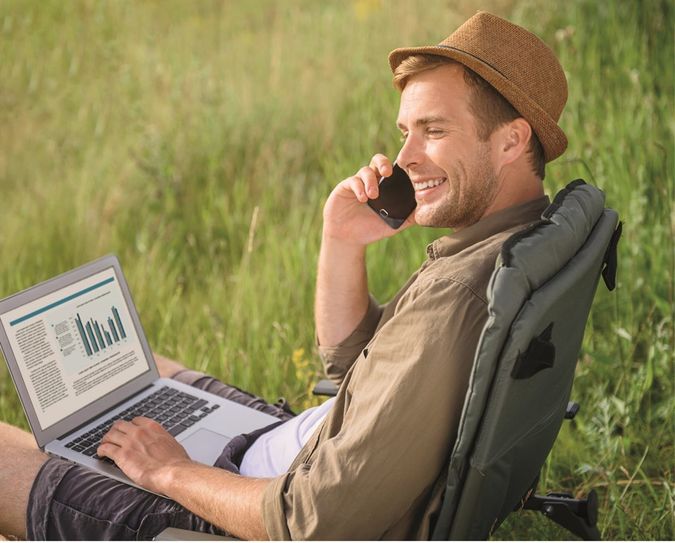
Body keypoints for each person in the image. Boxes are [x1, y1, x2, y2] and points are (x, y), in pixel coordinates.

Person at [0, 11, 569, 540]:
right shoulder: (514, 246)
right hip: (305, 450)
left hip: (260, 507)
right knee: (141, 375)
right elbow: (354, 366)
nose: (404, 158)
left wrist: (168, 471)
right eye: (405, 132)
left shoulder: (461, 293)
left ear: (512, 140)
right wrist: (341, 238)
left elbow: (311, 521)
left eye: (433, 131)